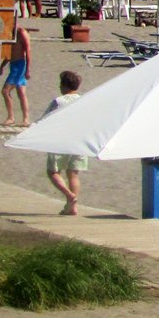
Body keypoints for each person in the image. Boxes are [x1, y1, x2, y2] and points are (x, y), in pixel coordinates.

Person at [44, 70, 86, 214]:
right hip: (79, 141)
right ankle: (72, 207)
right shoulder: (84, 100)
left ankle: (69, 195)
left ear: (64, 85)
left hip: (59, 141)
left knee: (53, 172)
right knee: (73, 174)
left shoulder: (58, 101)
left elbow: (45, 119)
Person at [1, 26, 32, 128]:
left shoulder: (21, 33)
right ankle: (25, 119)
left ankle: (11, 117)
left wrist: (28, 69)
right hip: (13, 64)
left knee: (5, 91)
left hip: (20, 65)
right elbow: (11, 52)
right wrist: (3, 65)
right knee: (21, 92)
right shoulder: (10, 32)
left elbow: (28, 51)